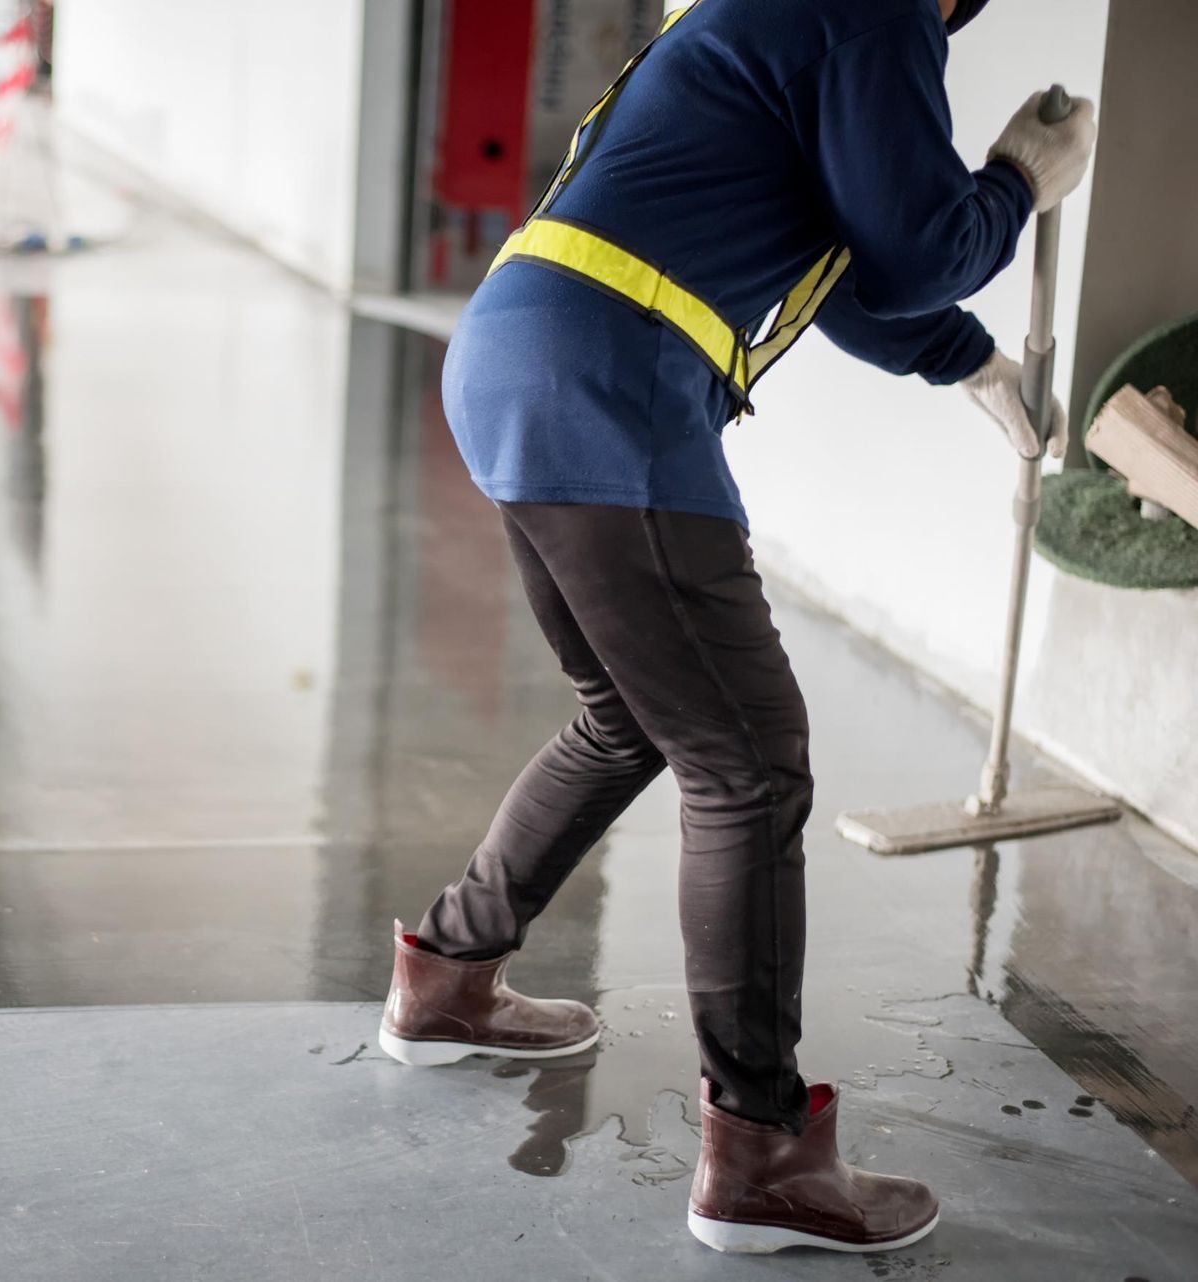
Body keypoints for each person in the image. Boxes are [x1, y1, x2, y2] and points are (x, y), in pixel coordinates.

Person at [377, 0, 1097, 1255]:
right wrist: (1014, 184)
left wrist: (969, 363)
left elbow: (857, 270)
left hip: (520, 350)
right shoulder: (872, 10)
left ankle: (446, 978)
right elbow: (920, 248)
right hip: (611, 377)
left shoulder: (783, 16)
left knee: (626, 719)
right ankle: (760, 1154)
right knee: (749, 767)